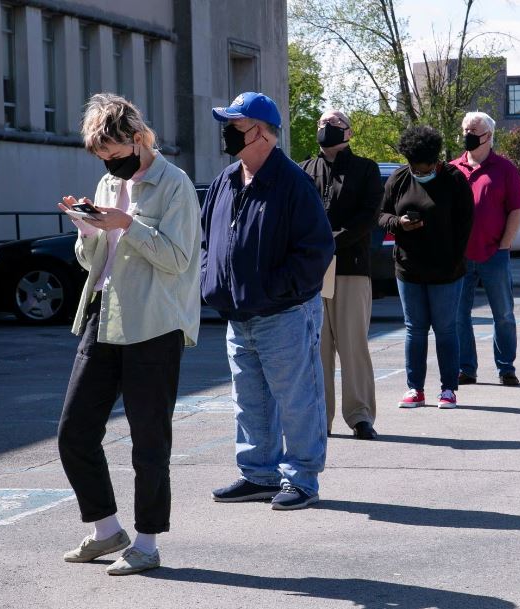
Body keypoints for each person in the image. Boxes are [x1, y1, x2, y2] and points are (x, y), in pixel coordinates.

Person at [56, 93, 201, 576]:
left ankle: (146, 543)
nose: (111, 168)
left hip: (154, 325)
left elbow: (178, 260)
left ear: (139, 140)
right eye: (104, 160)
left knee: (149, 441)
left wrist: (127, 224)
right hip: (105, 314)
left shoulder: (174, 184)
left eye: (117, 157)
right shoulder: (105, 181)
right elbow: (92, 261)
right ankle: (105, 530)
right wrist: (88, 229)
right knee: (74, 431)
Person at [201, 92, 335, 510]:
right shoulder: (226, 180)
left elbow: (316, 250)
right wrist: (213, 281)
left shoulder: (293, 182)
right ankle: (258, 473)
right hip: (239, 314)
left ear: (259, 132)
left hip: (285, 314)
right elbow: (209, 240)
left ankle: (302, 479)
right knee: (250, 400)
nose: (226, 133)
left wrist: (276, 288)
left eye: (234, 125)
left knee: (297, 399)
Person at [300, 109, 382, 440]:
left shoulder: (366, 169)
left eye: (332, 124)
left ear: (348, 132)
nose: (325, 128)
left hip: (351, 267)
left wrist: (329, 241)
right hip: (313, 273)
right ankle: (321, 418)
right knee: (317, 349)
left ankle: (360, 416)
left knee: (353, 345)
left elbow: (368, 217)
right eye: (321, 123)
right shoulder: (304, 169)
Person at [379, 125, 474, 409]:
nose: (420, 173)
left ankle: (448, 389)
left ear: (436, 161)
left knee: (445, 329)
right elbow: (381, 215)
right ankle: (414, 389)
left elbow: (465, 225)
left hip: (446, 271)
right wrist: (399, 224)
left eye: (425, 168)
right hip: (409, 269)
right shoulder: (398, 178)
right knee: (415, 329)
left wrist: (454, 260)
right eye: (415, 169)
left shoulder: (455, 180)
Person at [450, 112, 520, 387]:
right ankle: (466, 368)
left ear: (489, 136)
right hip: (460, 256)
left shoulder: (504, 169)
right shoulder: (452, 169)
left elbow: (518, 208)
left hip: (494, 254)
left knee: (503, 313)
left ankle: (506, 367)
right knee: (459, 315)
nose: (467, 134)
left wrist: (504, 244)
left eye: (474, 130)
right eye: (465, 129)